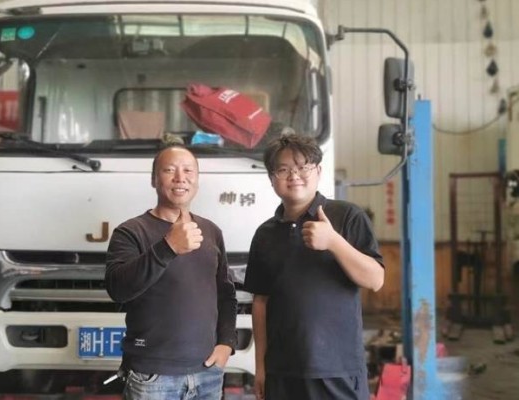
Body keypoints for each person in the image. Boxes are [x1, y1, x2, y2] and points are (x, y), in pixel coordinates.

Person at [244, 133, 385, 400]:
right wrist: (260, 367)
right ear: (272, 179)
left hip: (337, 370)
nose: (294, 176)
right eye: (283, 170)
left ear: (318, 171)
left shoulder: (348, 216)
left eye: (302, 167)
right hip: (282, 371)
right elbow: (260, 302)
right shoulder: (265, 234)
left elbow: (375, 280)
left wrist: (333, 241)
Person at [105, 144, 237, 400]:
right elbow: (118, 290)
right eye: (169, 170)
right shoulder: (131, 231)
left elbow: (226, 294)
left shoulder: (211, 231)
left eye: (188, 171)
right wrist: (168, 247)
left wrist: (226, 343)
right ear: (154, 179)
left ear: (197, 179)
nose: (180, 178)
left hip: (207, 373)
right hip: (152, 376)